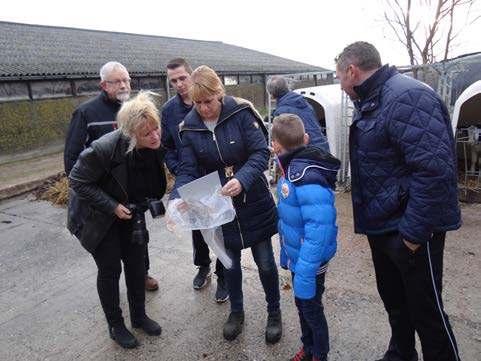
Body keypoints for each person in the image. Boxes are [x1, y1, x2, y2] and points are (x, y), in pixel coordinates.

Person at [335, 41, 462, 361]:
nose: (340, 84)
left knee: (427, 314)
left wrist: (412, 236)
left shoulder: (408, 97)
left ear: (351, 71)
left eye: (339, 76)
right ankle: (401, 354)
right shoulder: (373, 99)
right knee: (396, 303)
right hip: (384, 224)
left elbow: (433, 171)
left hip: (411, 229)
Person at [171, 65, 282, 343]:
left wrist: (243, 179)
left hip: (252, 198)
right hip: (219, 206)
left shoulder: (241, 113)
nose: (203, 108)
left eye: (208, 101)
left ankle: (274, 312)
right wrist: (179, 196)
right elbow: (187, 168)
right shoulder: (189, 127)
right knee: (229, 263)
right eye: (197, 103)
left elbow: (260, 152)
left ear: (219, 94)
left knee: (266, 263)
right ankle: (237, 311)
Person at [67, 92, 166, 348]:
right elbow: (77, 181)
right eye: (147, 134)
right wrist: (111, 206)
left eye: (156, 128)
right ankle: (116, 324)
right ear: (131, 135)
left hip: (131, 215)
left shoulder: (154, 145)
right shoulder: (104, 149)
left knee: (136, 267)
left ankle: (139, 316)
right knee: (110, 270)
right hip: (99, 219)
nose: (155, 136)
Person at [64, 61, 159, 292]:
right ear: (103, 85)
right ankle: (113, 299)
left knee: (138, 242)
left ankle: (142, 274)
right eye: (117, 81)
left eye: (126, 79)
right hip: (103, 201)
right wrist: (104, 198)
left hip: (131, 194)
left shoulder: (137, 111)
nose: (124, 85)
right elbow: (73, 161)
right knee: (110, 261)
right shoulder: (87, 113)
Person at [272, 114, 339, 361]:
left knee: (311, 309)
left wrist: (306, 269)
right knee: (303, 306)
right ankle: (308, 347)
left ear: (275, 146)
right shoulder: (290, 169)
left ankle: (320, 354)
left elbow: (318, 229)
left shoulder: (305, 177)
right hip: (299, 258)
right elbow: (290, 219)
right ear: (306, 138)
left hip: (310, 262)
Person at [161, 58, 228, 302]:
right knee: (197, 227)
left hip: (215, 178)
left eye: (182, 78)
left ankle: (224, 275)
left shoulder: (215, 103)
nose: (179, 84)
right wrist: (178, 168)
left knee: (221, 227)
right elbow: (167, 146)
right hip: (189, 177)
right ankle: (203, 266)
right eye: (173, 81)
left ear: (193, 76)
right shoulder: (169, 111)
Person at [267, 75, 329, 152]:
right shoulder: (305, 103)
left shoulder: (281, 114)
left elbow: (286, 144)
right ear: (287, 87)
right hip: (323, 147)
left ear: (272, 95)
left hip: (307, 153)